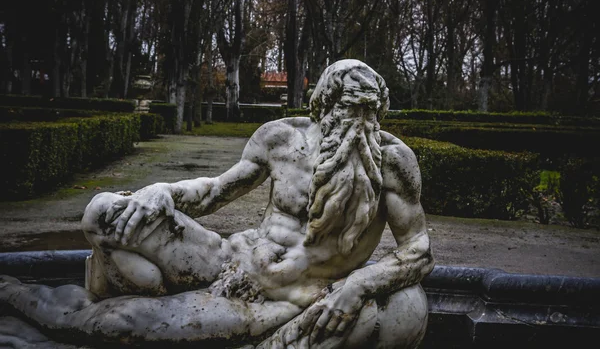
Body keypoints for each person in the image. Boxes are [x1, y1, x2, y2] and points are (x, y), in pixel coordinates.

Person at [0, 59, 434, 349]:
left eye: (366, 110)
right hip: (228, 260)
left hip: (275, 302)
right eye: (346, 106)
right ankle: (84, 285)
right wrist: (163, 192)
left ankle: (18, 295)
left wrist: (360, 284)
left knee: (123, 322)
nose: (356, 120)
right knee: (104, 212)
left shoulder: (392, 162)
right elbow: (214, 191)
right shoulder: (282, 138)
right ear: (322, 102)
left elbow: (418, 251)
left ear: (379, 109)